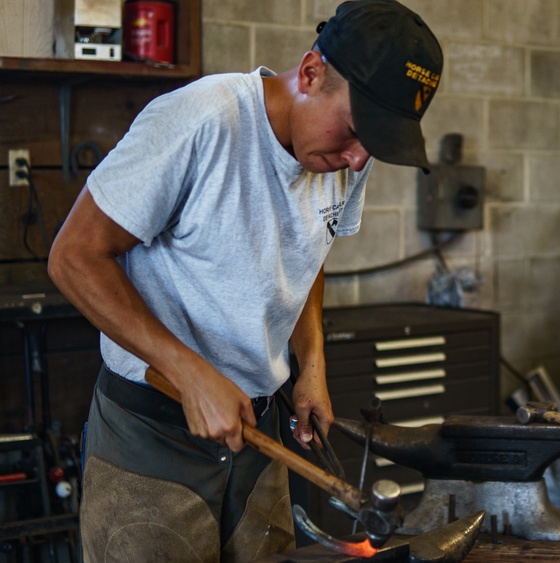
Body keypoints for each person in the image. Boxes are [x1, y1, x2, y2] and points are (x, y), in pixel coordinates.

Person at [47, 0, 442, 559]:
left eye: (374, 145)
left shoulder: (348, 155)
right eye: (355, 131)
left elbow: (307, 253)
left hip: (258, 436)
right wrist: (188, 373)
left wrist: (312, 364)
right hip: (153, 438)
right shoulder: (202, 121)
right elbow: (74, 257)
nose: (358, 160)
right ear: (309, 73)